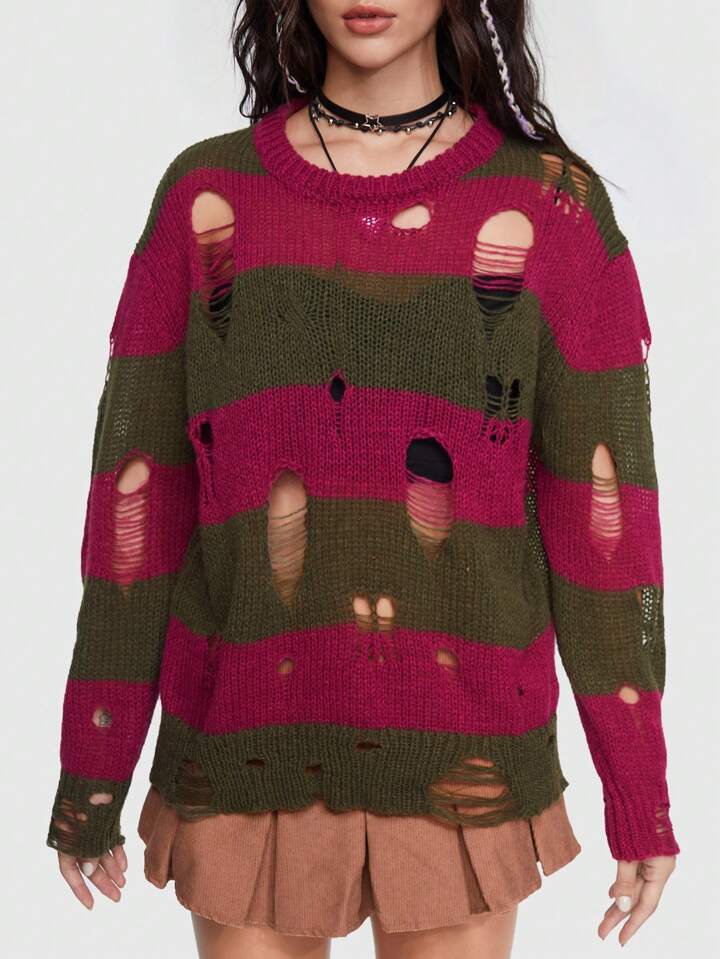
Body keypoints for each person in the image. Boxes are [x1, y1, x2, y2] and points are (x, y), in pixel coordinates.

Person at [46, 2, 680, 957]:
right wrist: (93, 769)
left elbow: (604, 523)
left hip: (465, 745)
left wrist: (640, 794)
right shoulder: (207, 195)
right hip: (243, 732)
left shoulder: (549, 204)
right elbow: (138, 501)